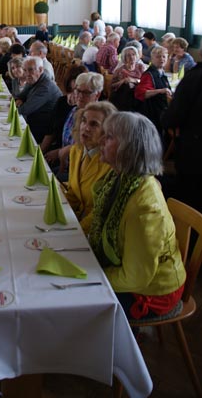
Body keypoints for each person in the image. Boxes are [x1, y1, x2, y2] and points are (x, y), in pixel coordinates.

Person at [88, 112, 186, 321]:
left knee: (78, 302)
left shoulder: (144, 209)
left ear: (129, 149)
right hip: (131, 273)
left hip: (153, 291)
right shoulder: (119, 177)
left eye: (110, 137)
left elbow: (135, 278)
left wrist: (89, 274)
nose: (101, 140)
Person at [62, 101, 116, 235]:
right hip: (76, 220)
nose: (85, 128)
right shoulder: (76, 150)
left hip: (95, 231)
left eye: (94, 124)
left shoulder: (111, 163)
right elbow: (73, 193)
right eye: (84, 121)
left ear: (107, 132)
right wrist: (59, 214)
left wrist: (76, 232)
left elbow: (100, 212)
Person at [162, 47, 202, 212]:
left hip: (195, 152)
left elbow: (173, 116)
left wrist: (164, 118)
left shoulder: (194, 78)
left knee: (190, 202)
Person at [16, 56, 62, 143]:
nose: (27, 74)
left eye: (30, 70)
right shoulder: (34, 79)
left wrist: (17, 105)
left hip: (42, 129)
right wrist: (20, 99)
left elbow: (24, 110)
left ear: (40, 70)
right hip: (33, 120)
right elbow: (20, 95)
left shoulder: (45, 87)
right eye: (25, 70)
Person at [135, 46, 172, 136]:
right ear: (152, 58)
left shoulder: (161, 72)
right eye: (158, 57)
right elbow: (141, 93)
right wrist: (160, 91)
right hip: (153, 112)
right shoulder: (149, 74)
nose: (162, 59)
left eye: (164, 57)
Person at [110, 46, 146, 111]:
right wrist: (123, 81)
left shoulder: (141, 67)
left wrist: (134, 80)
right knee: (127, 86)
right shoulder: (120, 70)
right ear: (124, 58)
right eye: (128, 55)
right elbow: (112, 86)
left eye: (133, 54)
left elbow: (145, 82)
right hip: (122, 97)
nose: (131, 57)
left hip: (139, 95)